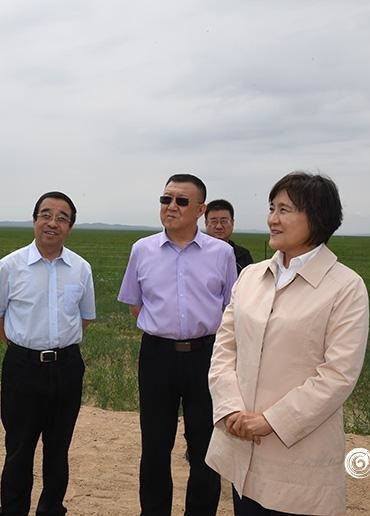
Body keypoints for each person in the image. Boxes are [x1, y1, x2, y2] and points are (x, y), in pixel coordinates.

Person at [205, 172, 369, 515]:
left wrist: (272, 420)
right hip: (242, 449)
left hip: (297, 459)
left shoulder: (345, 287)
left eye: (284, 210)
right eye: (271, 208)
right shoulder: (250, 276)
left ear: (317, 218)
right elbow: (225, 348)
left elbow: (338, 374)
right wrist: (231, 408)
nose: (273, 219)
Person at [118, 174, 237, 515]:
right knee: (155, 446)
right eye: (165, 199)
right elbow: (136, 305)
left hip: (206, 357)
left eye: (181, 201)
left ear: (200, 209)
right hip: (157, 357)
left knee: (205, 447)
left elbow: (232, 308)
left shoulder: (222, 253)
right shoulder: (142, 250)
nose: (171, 206)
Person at [0, 191, 96, 516]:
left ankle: (51, 509)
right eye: (46, 215)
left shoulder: (81, 268)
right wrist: (21, 346)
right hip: (23, 367)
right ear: (34, 220)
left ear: (70, 227)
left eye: (62, 218)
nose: (53, 223)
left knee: (58, 448)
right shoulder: (10, 266)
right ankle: (12, 510)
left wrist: (57, 344)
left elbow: (85, 317)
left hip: (67, 367)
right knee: (19, 448)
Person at [204, 199, 254, 274]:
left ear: (232, 223)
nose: (219, 226)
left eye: (223, 221)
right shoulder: (196, 253)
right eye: (214, 221)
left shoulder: (243, 256)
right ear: (206, 223)